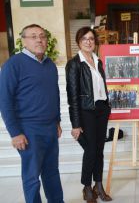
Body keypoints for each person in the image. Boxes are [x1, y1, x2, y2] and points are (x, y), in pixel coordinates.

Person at [0, 24, 64, 202]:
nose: (39, 39)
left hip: (50, 127)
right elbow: (4, 101)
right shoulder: (13, 65)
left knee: (52, 172)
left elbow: (55, 94)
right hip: (28, 130)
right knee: (32, 177)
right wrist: (15, 133)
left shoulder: (49, 64)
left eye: (42, 36)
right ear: (24, 41)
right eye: (33, 36)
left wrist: (57, 121)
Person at [65, 26, 112, 203]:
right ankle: (86, 187)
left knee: (99, 149)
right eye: (84, 38)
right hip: (86, 111)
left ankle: (98, 185)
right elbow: (73, 97)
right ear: (78, 42)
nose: (88, 41)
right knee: (91, 150)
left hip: (101, 110)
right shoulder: (74, 64)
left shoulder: (97, 61)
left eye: (91, 38)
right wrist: (76, 124)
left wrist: (107, 106)